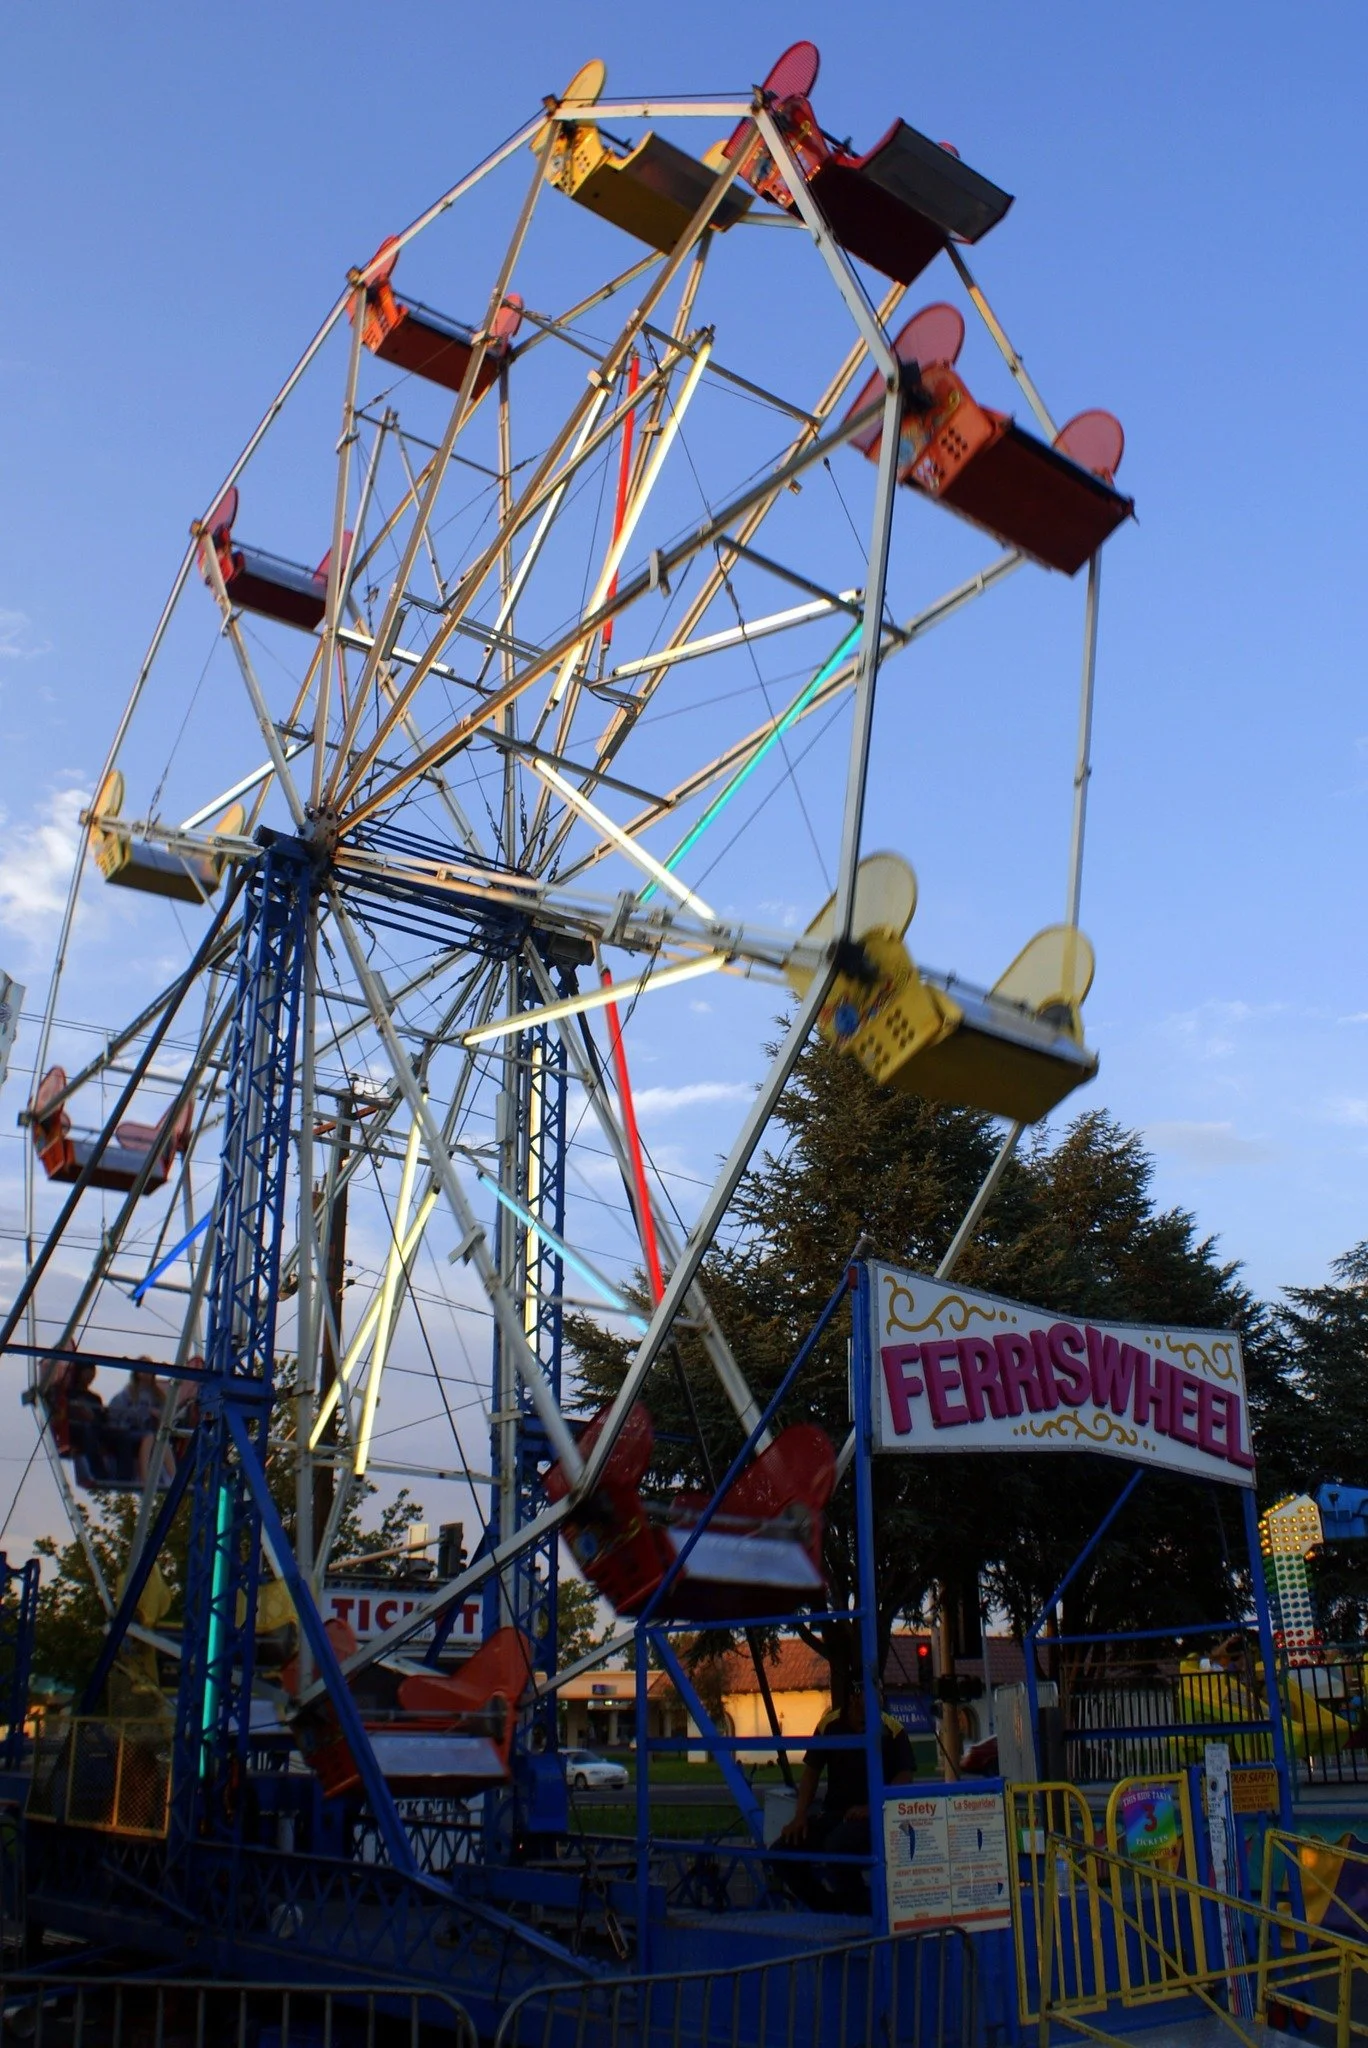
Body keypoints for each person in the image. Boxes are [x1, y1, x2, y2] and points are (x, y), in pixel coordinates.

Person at [776, 1681, 917, 1911]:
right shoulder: (829, 1725)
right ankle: (828, 1906)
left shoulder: (892, 1729)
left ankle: (862, 1908)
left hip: (873, 1817)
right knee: (781, 1852)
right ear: (854, 1696)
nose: (878, 1700)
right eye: (871, 1695)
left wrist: (872, 1807)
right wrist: (800, 1815)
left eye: (880, 1695)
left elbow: (904, 1776)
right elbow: (811, 1773)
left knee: (837, 1847)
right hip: (833, 1815)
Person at [106, 1365, 166, 1484]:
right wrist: (142, 1412)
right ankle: (145, 1478)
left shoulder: (159, 1395)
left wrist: (158, 1415)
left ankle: (171, 1477)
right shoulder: (127, 1393)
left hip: (153, 1430)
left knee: (163, 1442)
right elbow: (115, 1413)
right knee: (148, 1437)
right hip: (129, 1429)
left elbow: (166, 1415)